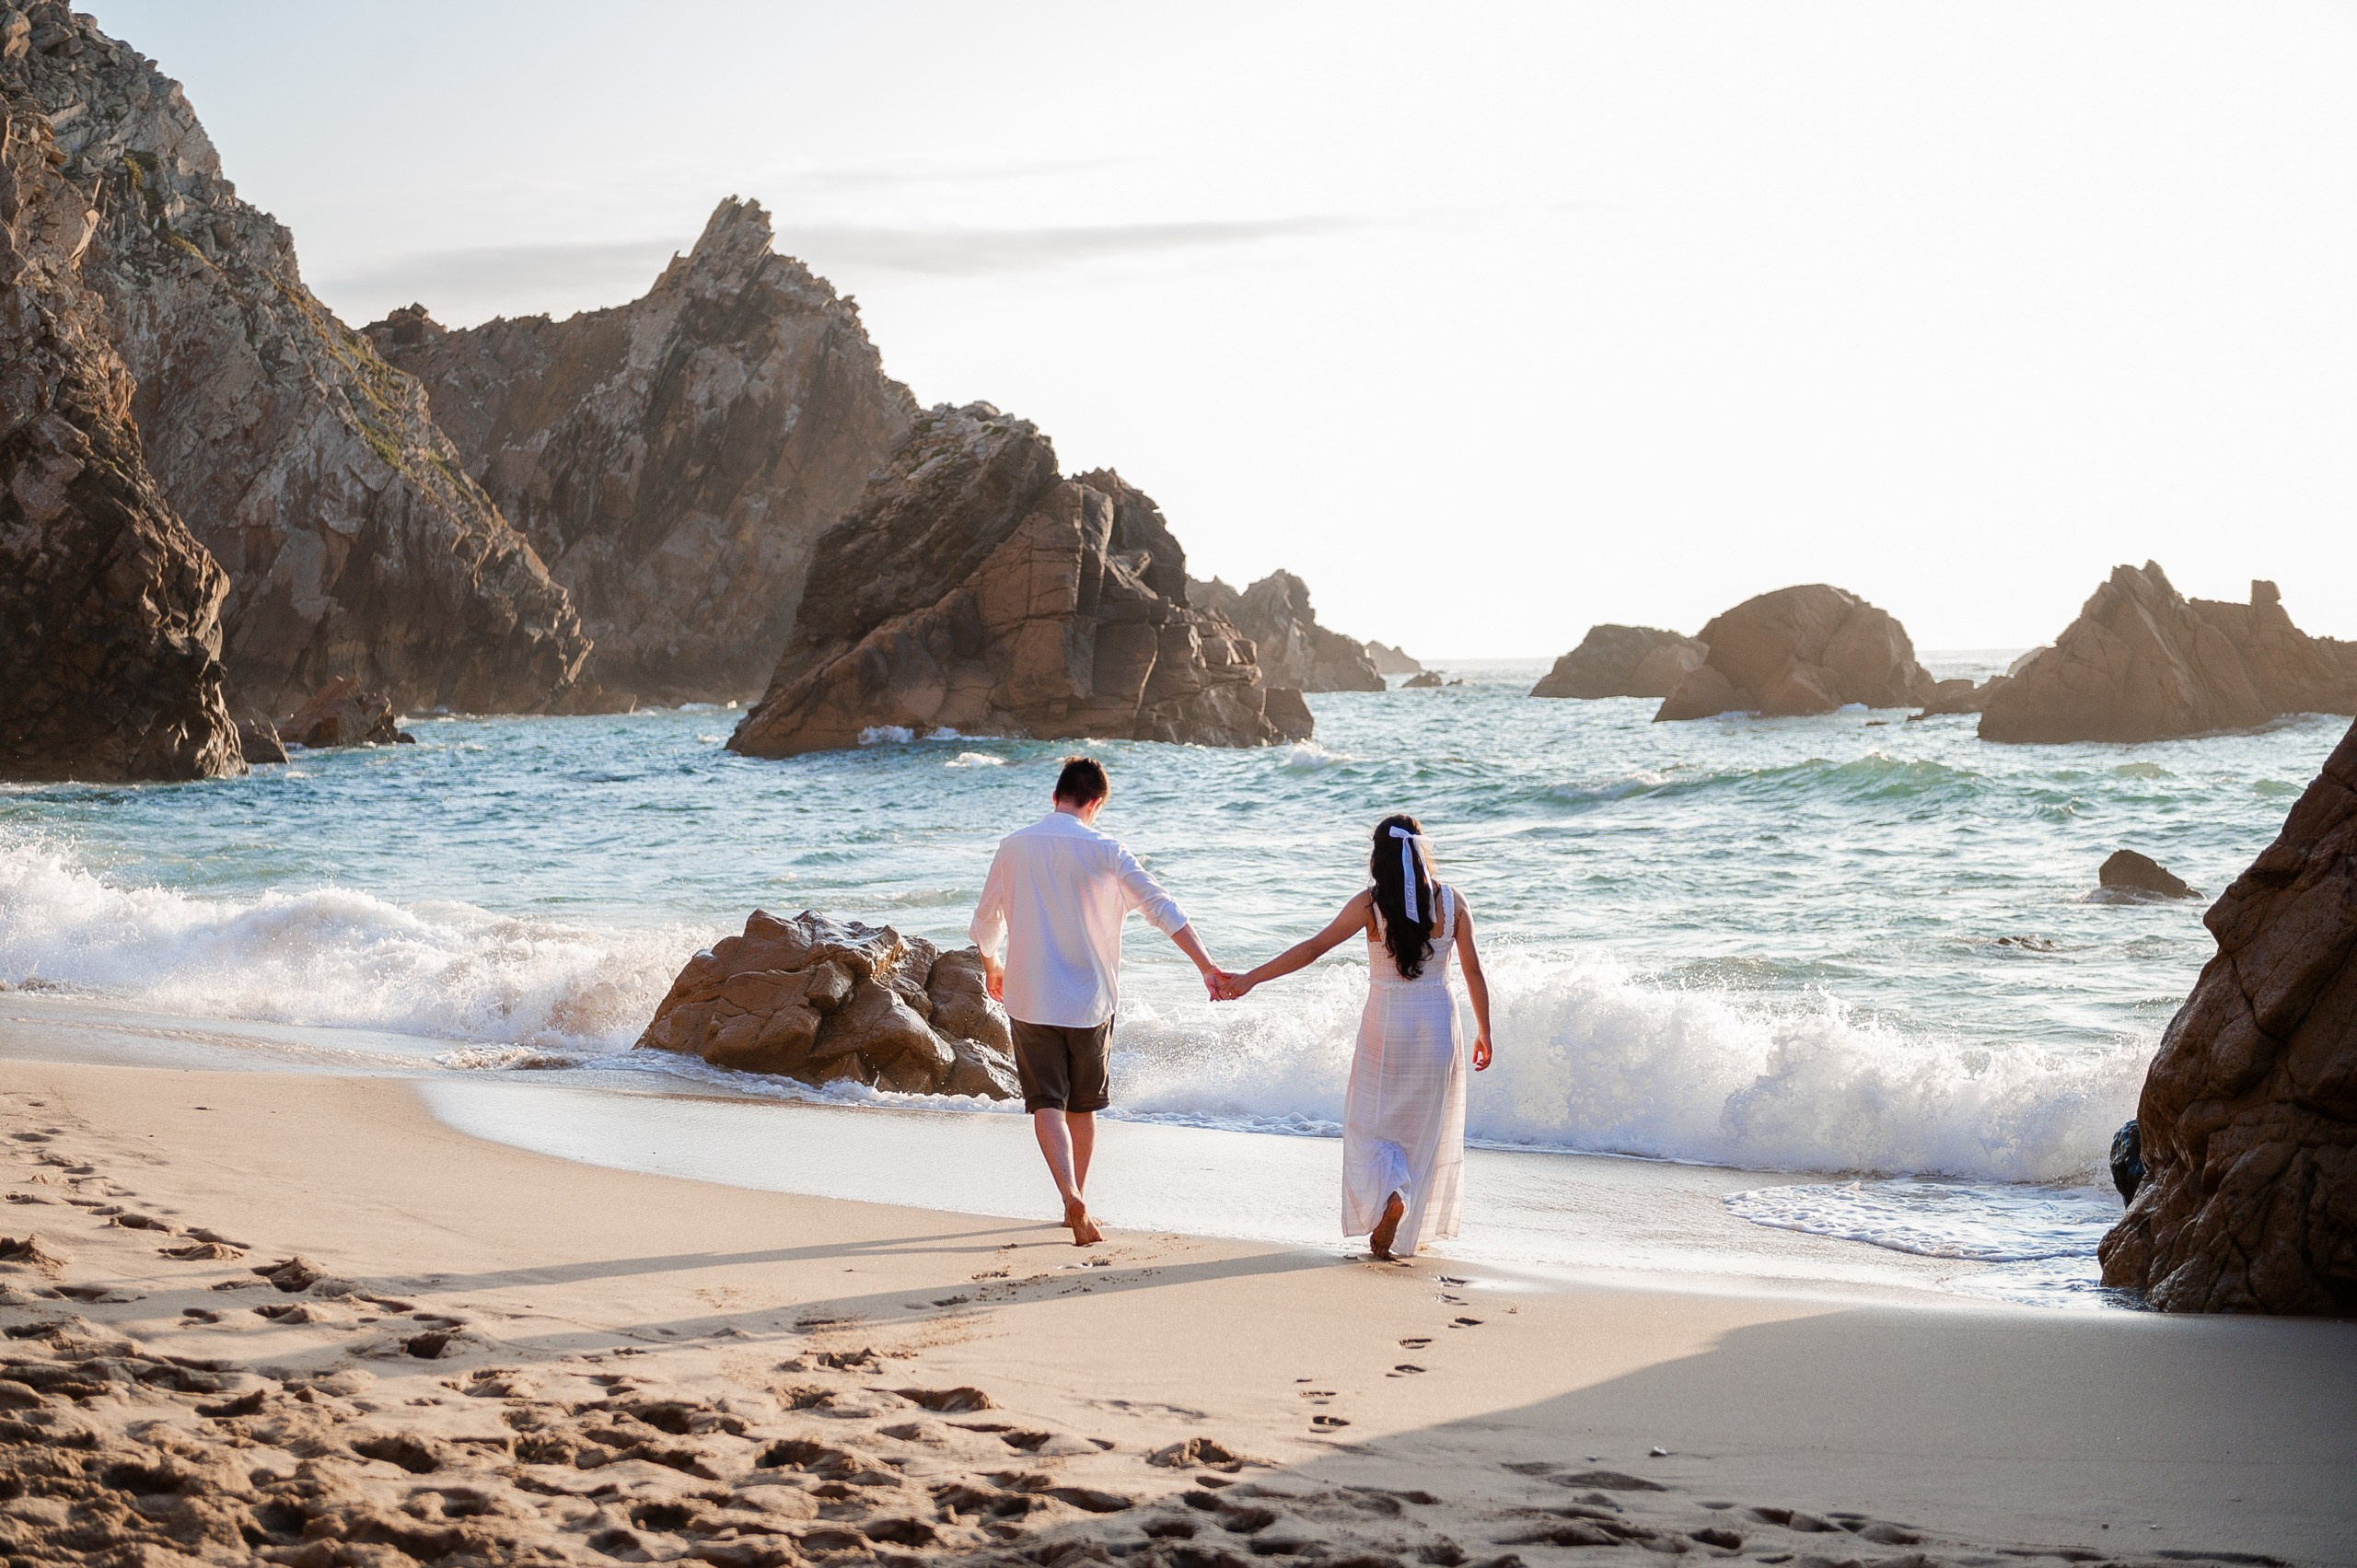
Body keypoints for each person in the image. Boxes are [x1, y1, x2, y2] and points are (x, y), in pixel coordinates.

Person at [970, 756, 1225, 1246]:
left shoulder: (1013, 846)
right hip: (1089, 1004)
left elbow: (986, 921)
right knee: (1082, 1109)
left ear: (1055, 797)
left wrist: (991, 964)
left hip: (1030, 998)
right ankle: (1078, 1201)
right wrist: (1207, 967)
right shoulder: (1109, 851)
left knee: (1047, 1103)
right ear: (1097, 803)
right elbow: (1162, 908)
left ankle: (1069, 1194)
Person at [1216, 814, 1492, 1260]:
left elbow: (1312, 948)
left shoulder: (1370, 905)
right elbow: (1474, 972)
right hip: (1439, 1024)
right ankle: (1404, 1213)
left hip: (1386, 1020)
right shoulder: (1452, 902)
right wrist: (1485, 1030)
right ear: (1422, 852)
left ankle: (1390, 1196)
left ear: (1378, 858)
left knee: (1368, 1125)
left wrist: (1251, 978)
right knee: (1423, 1133)